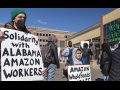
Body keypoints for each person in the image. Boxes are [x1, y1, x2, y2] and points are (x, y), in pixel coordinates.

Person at [0, 8, 47, 78]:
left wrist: (40, 67)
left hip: (24, 74)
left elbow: (33, 55)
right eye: (20, 17)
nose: (23, 19)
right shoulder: (3, 33)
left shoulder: (29, 36)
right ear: (13, 19)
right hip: (8, 72)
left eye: (24, 18)